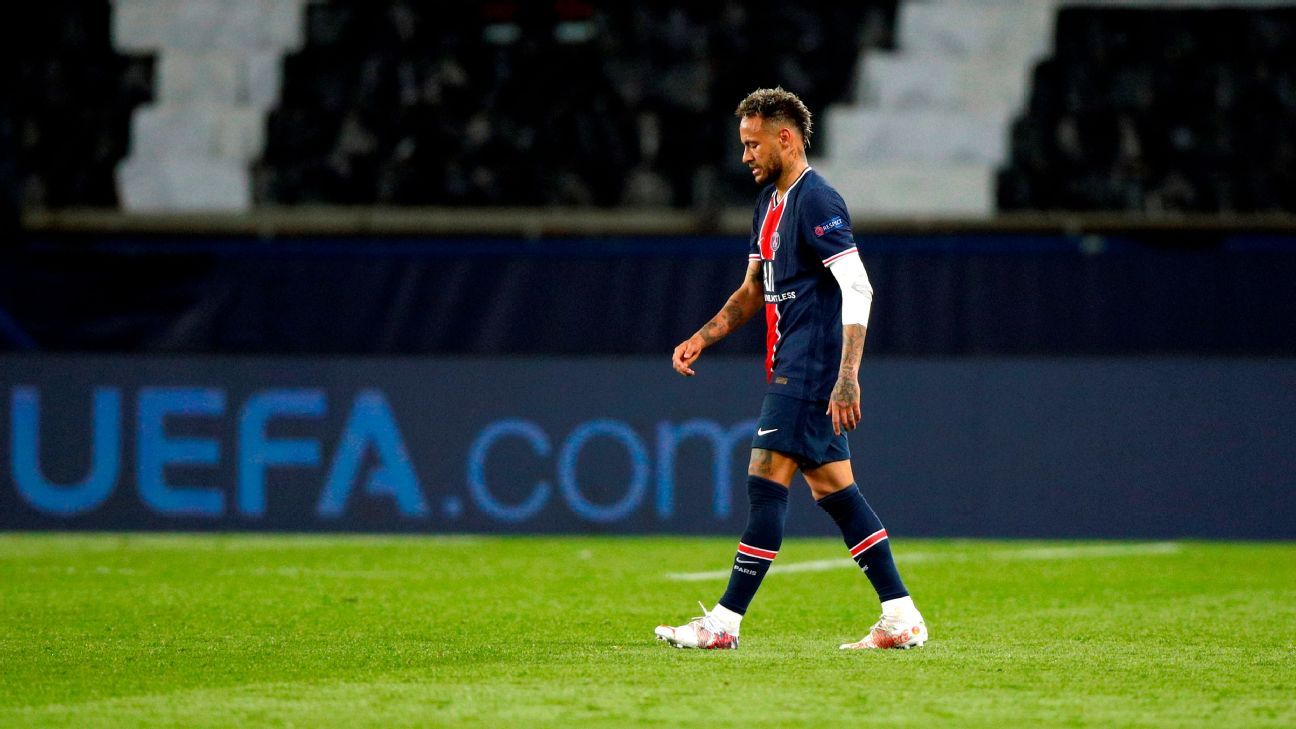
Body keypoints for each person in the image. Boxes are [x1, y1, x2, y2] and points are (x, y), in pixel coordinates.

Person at [654, 87, 926, 651]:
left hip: (811, 368)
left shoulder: (817, 201)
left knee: (765, 479)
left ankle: (724, 623)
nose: (745, 156)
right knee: (836, 490)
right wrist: (702, 337)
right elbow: (755, 290)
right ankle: (901, 614)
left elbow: (858, 286)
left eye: (753, 144)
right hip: (795, 366)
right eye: (743, 145)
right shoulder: (768, 204)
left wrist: (847, 376)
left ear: (786, 138)